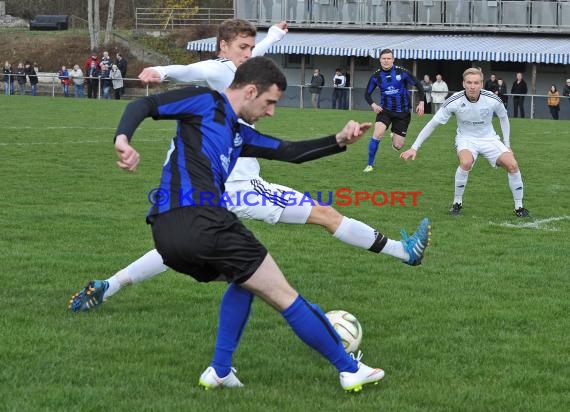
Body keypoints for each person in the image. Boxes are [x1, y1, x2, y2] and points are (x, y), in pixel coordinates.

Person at [69, 20, 431, 390]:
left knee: (246, 280)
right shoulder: (206, 100)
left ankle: (220, 370)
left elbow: (289, 152)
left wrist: (339, 140)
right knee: (282, 292)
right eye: (270, 102)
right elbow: (146, 103)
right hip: (205, 220)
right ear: (252, 91)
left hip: (166, 229)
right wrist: (123, 139)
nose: (272, 111)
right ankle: (348, 368)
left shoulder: (239, 133)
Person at [400, 67, 529, 218]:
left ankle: (519, 207)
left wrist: (507, 144)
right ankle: (457, 202)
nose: (472, 86)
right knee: (466, 162)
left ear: (481, 84)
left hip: (490, 139)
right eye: (469, 82)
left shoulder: (493, 99)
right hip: (466, 139)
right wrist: (414, 147)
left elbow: (503, 117)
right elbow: (432, 123)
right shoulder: (454, 101)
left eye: (476, 82)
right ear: (463, 84)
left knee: (512, 165)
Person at [362, 48, 424, 173]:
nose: (386, 61)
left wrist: (421, 102)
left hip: (403, 113)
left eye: (388, 58)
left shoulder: (402, 72)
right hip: (385, 111)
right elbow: (367, 94)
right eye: (383, 58)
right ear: (380, 60)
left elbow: (418, 85)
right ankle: (369, 165)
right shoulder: (376, 76)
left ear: (393, 59)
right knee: (377, 134)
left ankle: (393, 135)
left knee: (398, 146)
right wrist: (373, 104)